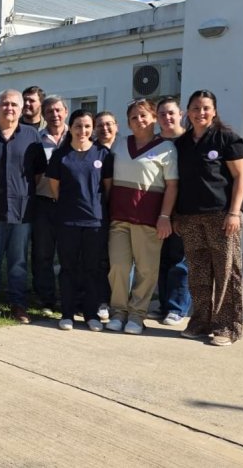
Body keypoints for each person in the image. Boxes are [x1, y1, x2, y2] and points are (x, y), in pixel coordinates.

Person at [173, 90, 243, 346]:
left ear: (214, 111)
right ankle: (201, 322)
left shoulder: (227, 138)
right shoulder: (182, 143)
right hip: (191, 217)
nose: (200, 113)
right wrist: (176, 215)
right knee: (199, 273)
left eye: (205, 108)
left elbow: (240, 177)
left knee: (227, 272)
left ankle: (227, 327)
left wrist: (235, 212)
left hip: (223, 216)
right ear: (188, 112)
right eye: (195, 108)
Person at [105, 99, 178, 335]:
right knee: (118, 266)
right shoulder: (120, 144)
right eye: (134, 117)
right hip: (119, 217)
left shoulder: (166, 148)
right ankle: (118, 312)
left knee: (147, 270)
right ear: (128, 122)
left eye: (144, 116)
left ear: (154, 118)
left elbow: (172, 186)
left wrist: (165, 216)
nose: (139, 121)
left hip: (148, 219)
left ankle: (137, 315)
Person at [0, 89, 46, 323]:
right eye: (5, 104)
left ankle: (18, 305)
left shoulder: (32, 136)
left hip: (22, 210)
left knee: (18, 261)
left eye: (14, 104)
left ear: (21, 107)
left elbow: (38, 174)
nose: (10, 108)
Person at [47, 110, 113, 332]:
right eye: (78, 126)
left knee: (92, 269)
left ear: (92, 128)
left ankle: (91, 313)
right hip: (67, 221)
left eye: (87, 126)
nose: (82, 131)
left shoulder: (102, 154)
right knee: (68, 268)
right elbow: (54, 188)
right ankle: (67, 313)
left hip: (95, 222)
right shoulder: (60, 155)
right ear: (70, 127)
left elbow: (107, 188)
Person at [154, 97, 191, 326]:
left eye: (171, 113)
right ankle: (164, 305)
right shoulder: (155, 142)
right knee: (161, 259)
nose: (167, 118)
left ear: (181, 114)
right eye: (162, 114)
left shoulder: (189, 141)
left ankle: (177, 307)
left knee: (179, 261)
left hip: (183, 211)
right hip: (157, 211)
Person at [31, 96, 69, 316]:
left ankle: (69, 295)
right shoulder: (36, 139)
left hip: (70, 204)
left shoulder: (77, 135)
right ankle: (46, 298)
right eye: (49, 111)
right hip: (43, 203)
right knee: (43, 253)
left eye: (58, 110)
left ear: (65, 111)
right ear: (43, 115)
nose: (54, 115)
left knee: (69, 254)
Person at [93, 110, 120, 321]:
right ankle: (102, 299)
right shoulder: (92, 150)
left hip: (124, 211)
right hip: (100, 212)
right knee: (101, 259)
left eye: (109, 124)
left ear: (117, 126)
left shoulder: (125, 148)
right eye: (100, 125)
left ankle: (121, 302)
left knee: (121, 261)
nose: (105, 128)